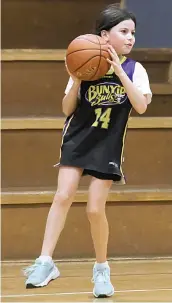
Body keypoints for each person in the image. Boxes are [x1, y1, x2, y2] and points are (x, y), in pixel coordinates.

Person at [24, 4, 152, 298]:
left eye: (133, 33)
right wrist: (77, 78)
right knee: (63, 195)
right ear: (104, 35)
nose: (131, 38)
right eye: (124, 32)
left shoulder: (134, 69)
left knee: (95, 209)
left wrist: (119, 71)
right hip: (78, 139)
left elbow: (141, 106)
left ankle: (101, 269)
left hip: (107, 143)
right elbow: (67, 109)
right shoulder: (84, 62)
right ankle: (45, 262)